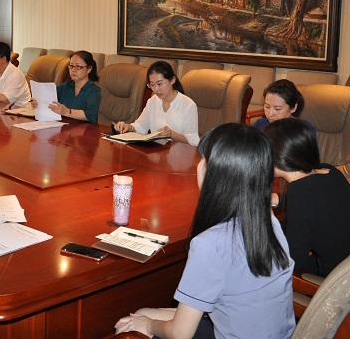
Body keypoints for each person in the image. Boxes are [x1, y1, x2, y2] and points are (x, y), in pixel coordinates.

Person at [115, 123, 295, 339]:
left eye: (204, 160)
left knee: (139, 320)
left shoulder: (209, 243)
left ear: (215, 175)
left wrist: (149, 324)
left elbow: (180, 334)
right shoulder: (268, 221)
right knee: (151, 315)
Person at [263, 118, 350, 277]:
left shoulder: (300, 193)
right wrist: (278, 198)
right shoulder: (330, 171)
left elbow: (295, 260)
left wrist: (269, 225)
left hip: (342, 276)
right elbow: (316, 202)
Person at [114, 61, 199, 146]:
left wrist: (172, 134)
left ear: (172, 80)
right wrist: (128, 127)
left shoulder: (188, 105)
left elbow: (193, 141)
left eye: (159, 84)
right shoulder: (152, 101)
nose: (156, 89)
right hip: (156, 151)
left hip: (179, 152)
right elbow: (141, 126)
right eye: (152, 85)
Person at [32, 50, 101, 123]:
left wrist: (68, 112)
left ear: (89, 69)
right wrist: (39, 103)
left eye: (78, 66)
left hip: (84, 128)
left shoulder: (93, 90)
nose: (73, 70)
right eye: (71, 66)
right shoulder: (66, 86)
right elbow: (49, 100)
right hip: (63, 126)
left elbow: (92, 114)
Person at [252, 79, 316, 133]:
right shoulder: (260, 124)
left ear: (293, 108)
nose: (270, 114)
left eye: (277, 109)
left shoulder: (305, 130)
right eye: (267, 107)